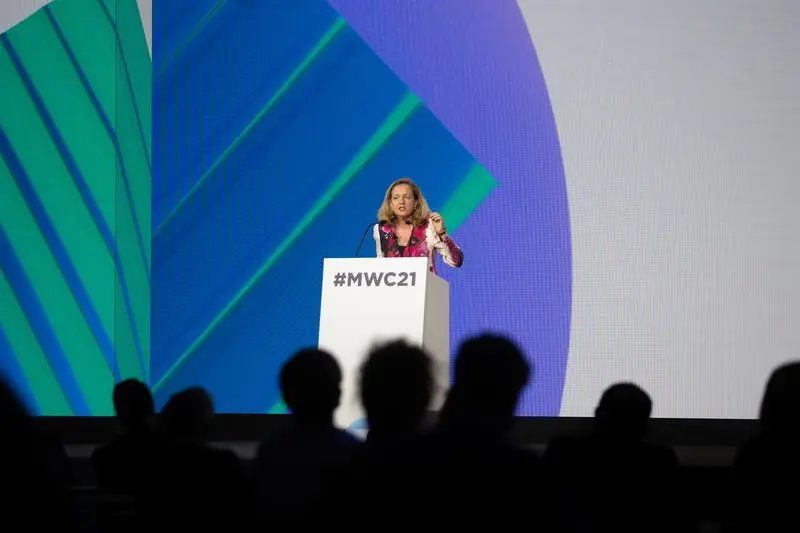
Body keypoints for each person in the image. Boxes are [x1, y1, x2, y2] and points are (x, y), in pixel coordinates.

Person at [374, 178, 464, 274]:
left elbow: (457, 261)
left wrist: (442, 234)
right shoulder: (382, 229)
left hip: (426, 283)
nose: (401, 201)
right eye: (396, 198)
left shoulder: (429, 227)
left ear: (416, 203)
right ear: (390, 204)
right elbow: (381, 264)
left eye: (407, 197)